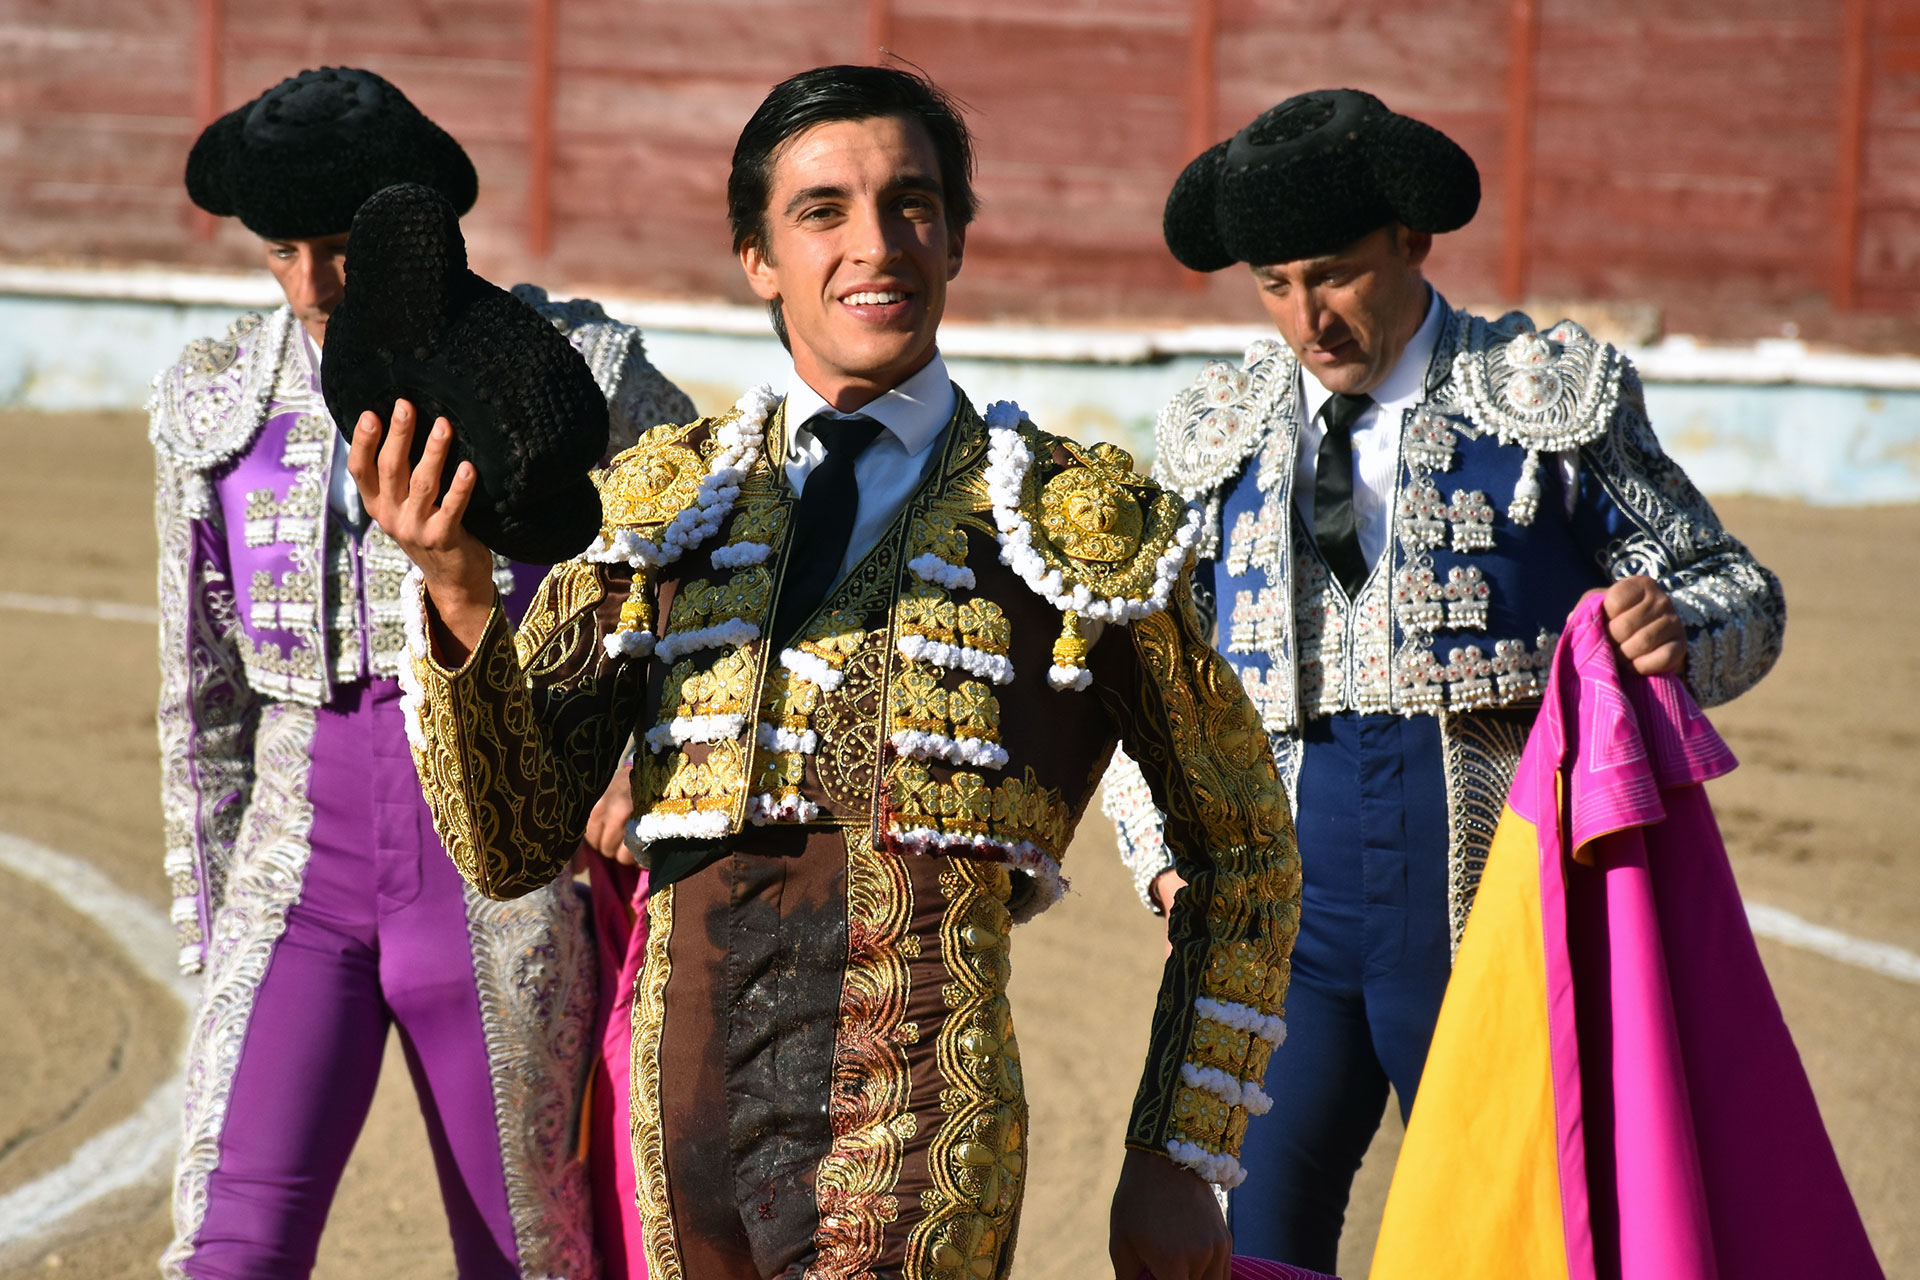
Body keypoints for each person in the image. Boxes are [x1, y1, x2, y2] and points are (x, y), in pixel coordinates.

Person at [351, 64, 1299, 1280]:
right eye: (824, 211)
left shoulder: (1072, 527)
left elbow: (1245, 852)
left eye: (911, 204)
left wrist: (1183, 1147)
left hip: (919, 1137)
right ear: (757, 256)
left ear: (957, 234)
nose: (877, 245)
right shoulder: (661, 508)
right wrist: (460, 595)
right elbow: (509, 840)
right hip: (677, 1128)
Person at [1101, 88, 1785, 1272]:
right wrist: (1162, 861)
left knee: (1517, 1233)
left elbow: (1744, 591)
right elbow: (1155, 674)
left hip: (1494, 897)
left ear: (1412, 243)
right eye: (1273, 285)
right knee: (1250, 1239)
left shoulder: (1544, 400)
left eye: (1334, 274)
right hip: (1286, 905)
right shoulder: (1220, 426)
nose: (1306, 318)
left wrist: (1673, 622)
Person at [152, 66, 692, 1278]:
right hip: (294, 869)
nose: (310, 287)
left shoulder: (575, 375)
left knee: (526, 1254)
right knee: (226, 1248)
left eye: (339, 248)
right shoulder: (215, 402)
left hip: (500, 868)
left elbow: (714, 569)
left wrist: (637, 765)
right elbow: (202, 689)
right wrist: (212, 929)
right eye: (280, 252)